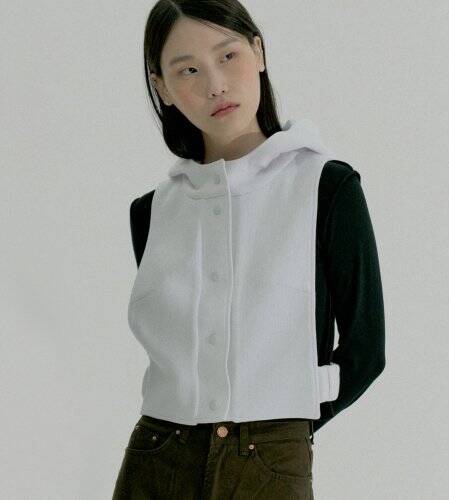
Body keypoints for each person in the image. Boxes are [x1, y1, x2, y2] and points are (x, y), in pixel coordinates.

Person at [112, 1, 386, 499]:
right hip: (156, 455)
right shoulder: (151, 212)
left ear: (257, 51)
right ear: (162, 87)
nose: (215, 84)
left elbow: (365, 352)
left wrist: (281, 429)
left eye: (228, 56)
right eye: (188, 70)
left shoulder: (325, 187)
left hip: (269, 460)